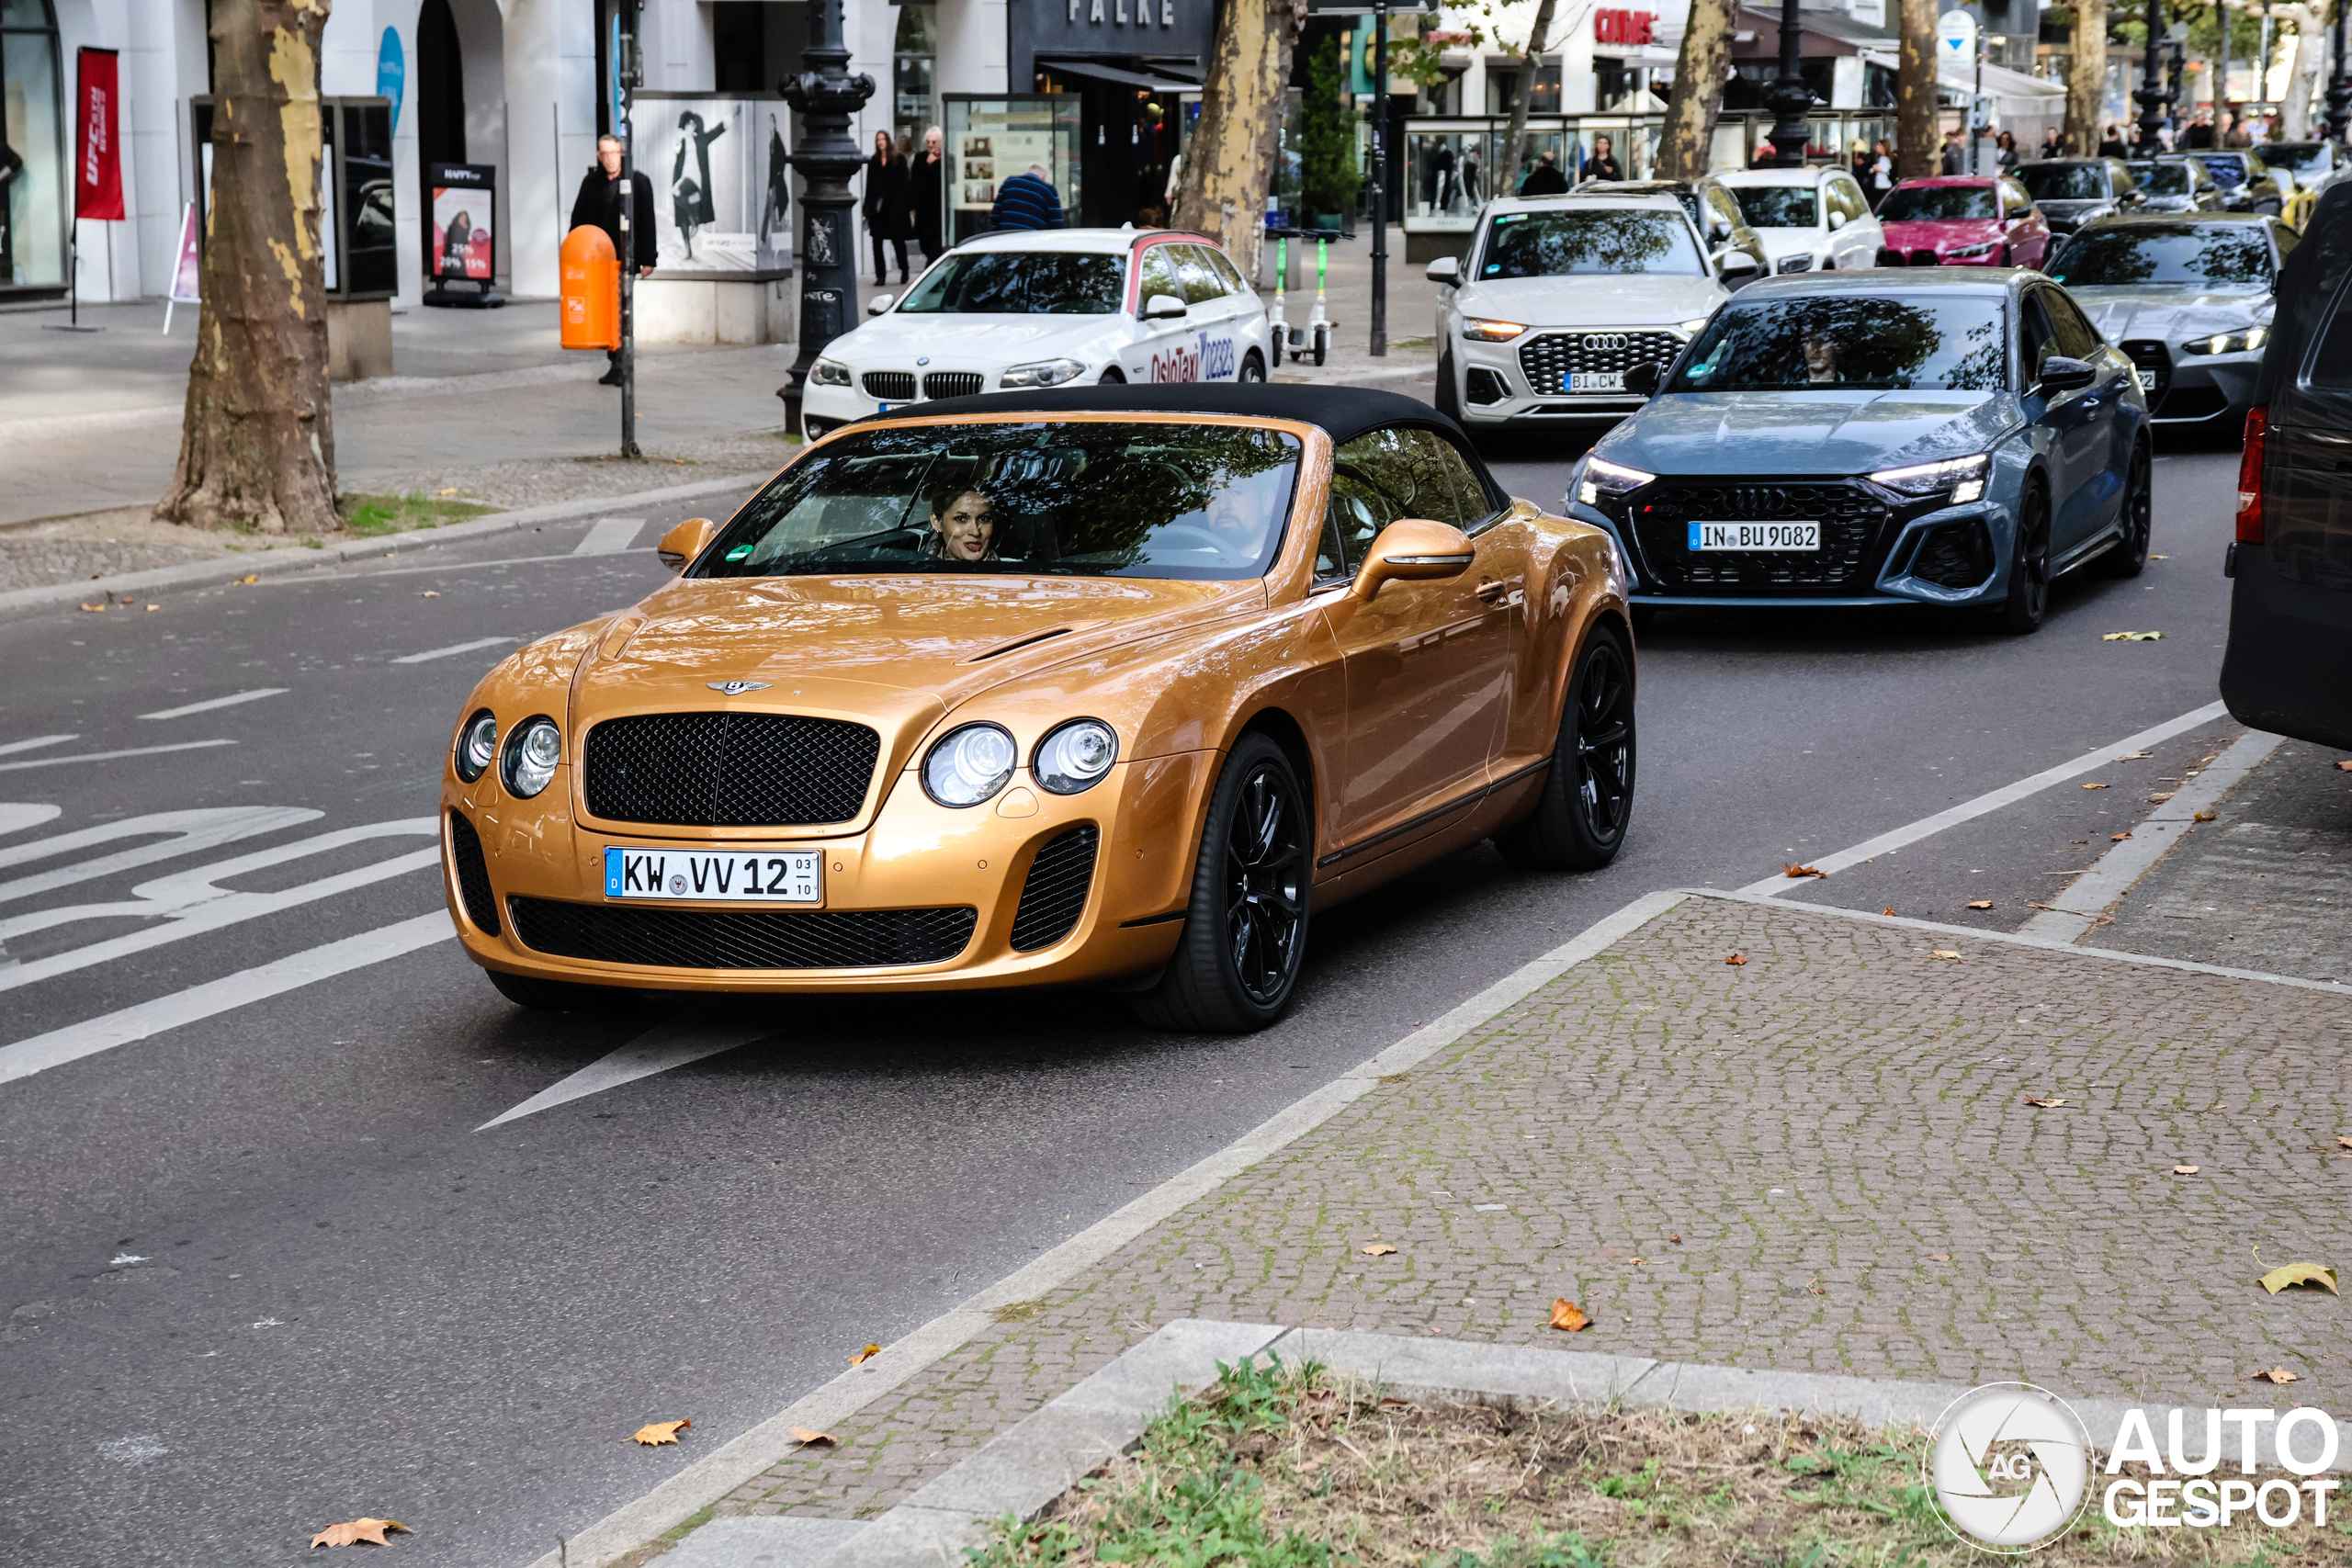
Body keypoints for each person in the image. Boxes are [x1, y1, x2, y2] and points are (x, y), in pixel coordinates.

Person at [568, 134, 658, 387]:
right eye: (605, 154)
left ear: (622, 153)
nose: (610, 159)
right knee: (606, 311)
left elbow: (647, 222)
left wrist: (649, 258)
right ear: (599, 156)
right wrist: (576, 251)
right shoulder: (591, 183)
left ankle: (622, 364)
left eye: (614, 153)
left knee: (622, 310)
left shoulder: (637, 182)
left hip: (625, 257)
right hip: (598, 260)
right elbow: (578, 219)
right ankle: (615, 361)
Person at [671, 110, 726, 261]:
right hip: (683, 178)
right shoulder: (680, 140)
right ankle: (688, 247)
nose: (691, 126)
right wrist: (681, 138)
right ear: (684, 125)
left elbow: (718, 131)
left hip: (695, 178)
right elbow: (675, 148)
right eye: (688, 124)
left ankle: (694, 220)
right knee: (682, 216)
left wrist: (731, 116)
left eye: (693, 124)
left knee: (676, 191)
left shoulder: (701, 139)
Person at [863, 129, 911, 286]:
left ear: (888, 140)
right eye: (878, 140)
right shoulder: (873, 161)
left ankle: (904, 269)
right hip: (878, 209)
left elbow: (905, 185)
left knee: (898, 241)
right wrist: (866, 208)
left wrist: (906, 206)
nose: (880, 142)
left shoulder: (898, 159)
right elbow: (869, 186)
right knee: (876, 242)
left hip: (895, 207)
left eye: (883, 139)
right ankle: (880, 275)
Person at [926, 488, 999, 561]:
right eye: (961, 519)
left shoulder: (1007, 571)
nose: (975, 532)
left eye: (984, 518)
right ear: (936, 522)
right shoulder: (920, 568)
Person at [909, 126, 945, 265]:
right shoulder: (920, 158)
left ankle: (930, 272)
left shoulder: (946, 158)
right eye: (928, 142)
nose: (930, 145)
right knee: (924, 242)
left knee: (936, 245)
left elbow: (945, 180)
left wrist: (935, 165)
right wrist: (912, 206)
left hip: (939, 208)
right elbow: (915, 182)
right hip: (923, 208)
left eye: (934, 142)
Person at [990, 163, 1065, 231]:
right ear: (1044, 177)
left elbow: (995, 214)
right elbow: (1056, 222)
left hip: (1005, 234)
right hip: (1032, 239)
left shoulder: (1009, 182)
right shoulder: (1049, 190)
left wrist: (997, 231)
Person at [759, 113, 791, 249]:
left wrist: (778, 174)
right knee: (769, 210)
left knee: (771, 210)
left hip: (776, 183)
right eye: (769, 122)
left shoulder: (776, 140)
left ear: (775, 124)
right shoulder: (772, 140)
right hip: (773, 182)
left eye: (772, 122)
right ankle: (764, 239)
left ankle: (767, 239)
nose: (770, 125)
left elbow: (782, 158)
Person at [1866, 138, 1895, 208]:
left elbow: (1890, 171)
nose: (1876, 147)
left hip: (1885, 186)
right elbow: (1869, 170)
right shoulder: (1875, 158)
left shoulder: (1890, 159)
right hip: (1876, 187)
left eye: (1879, 145)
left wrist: (1879, 169)